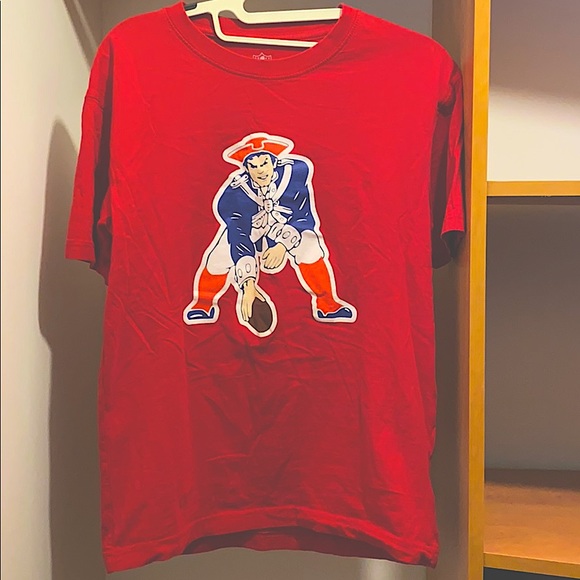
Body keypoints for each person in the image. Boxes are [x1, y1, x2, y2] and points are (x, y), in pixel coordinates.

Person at [183, 133, 357, 337]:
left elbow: (302, 216)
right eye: (253, 166)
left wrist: (282, 246)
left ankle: (327, 303)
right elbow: (239, 234)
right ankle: (203, 304)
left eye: (264, 163)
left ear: (274, 162)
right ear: (246, 169)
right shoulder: (232, 194)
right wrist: (248, 285)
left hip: (285, 224)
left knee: (310, 247)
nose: (260, 170)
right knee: (217, 257)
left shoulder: (295, 175)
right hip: (251, 225)